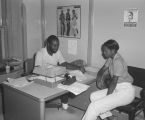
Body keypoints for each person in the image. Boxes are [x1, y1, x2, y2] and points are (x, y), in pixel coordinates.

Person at [82, 39, 135, 120]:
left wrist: (107, 97)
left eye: (105, 51)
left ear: (113, 50)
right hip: (117, 88)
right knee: (94, 96)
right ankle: (111, 118)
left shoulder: (118, 61)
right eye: (103, 51)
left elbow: (114, 81)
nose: (103, 53)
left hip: (126, 92)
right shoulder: (111, 58)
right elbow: (102, 69)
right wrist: (99, 79)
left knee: (94, 107)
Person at [35, 35, 85, 110]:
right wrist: (51, 72)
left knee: (66, 81)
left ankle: (64, 104)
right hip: (43, 78)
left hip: (54, 76)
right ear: (48, 44)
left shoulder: (57, 52)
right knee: (61, 81)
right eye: (54, 45)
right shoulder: (40, 53)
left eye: (57, 45)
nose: (56, 47)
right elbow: (37, 70)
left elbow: (64, 63)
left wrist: (79, 68)